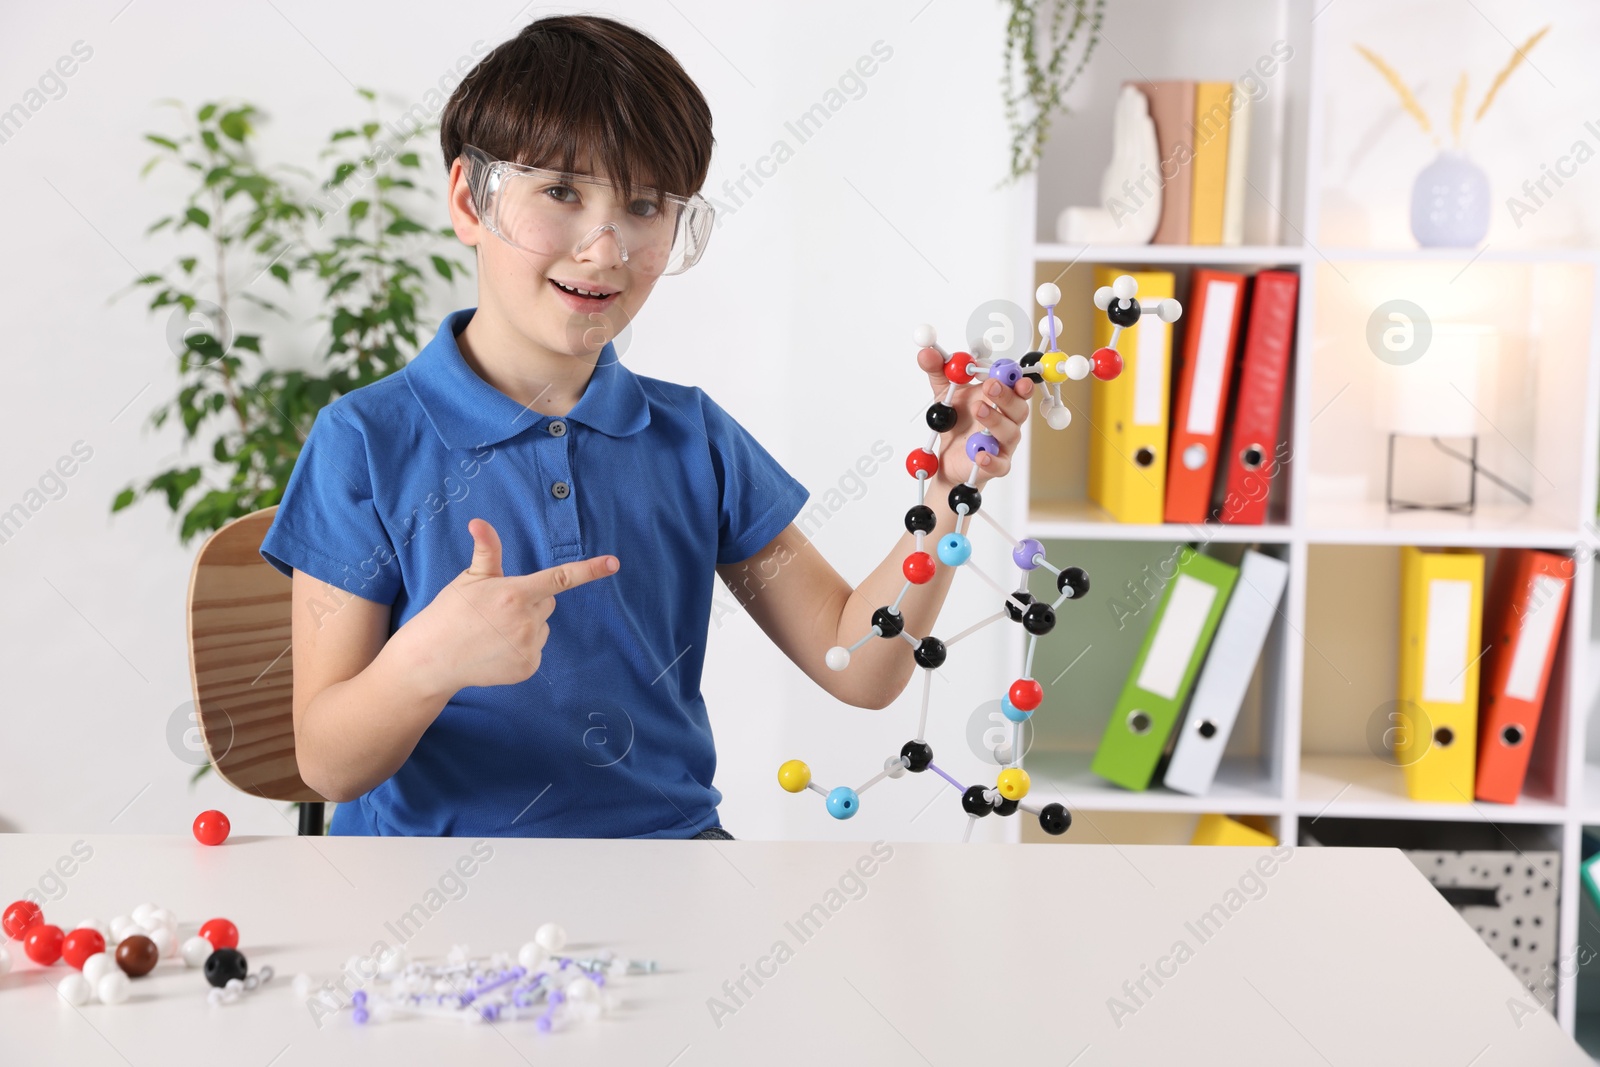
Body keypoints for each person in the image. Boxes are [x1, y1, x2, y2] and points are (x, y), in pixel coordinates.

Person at [259, 14, 1033, 839]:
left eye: (643, 205)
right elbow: (329, 762)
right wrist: (429, 657)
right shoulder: (365, 440)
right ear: (469, 200)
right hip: (428, 892)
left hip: (670, 867)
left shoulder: (692, 437)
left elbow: (861, 667)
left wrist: (950, 493)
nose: (605, 248)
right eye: (560, 192)